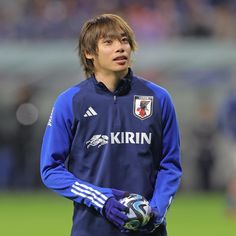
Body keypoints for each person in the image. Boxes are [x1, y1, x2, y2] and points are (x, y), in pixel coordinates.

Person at [40, 13, 182, 236]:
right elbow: (50, 169)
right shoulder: (70, 101)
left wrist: (156, 211)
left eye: (124, 40)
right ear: (89, 53)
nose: (120, 47)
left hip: (148, 230)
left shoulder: (158, 98)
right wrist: (101, 199)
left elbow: (170, 165)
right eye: (109, 42)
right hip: (92, 229)